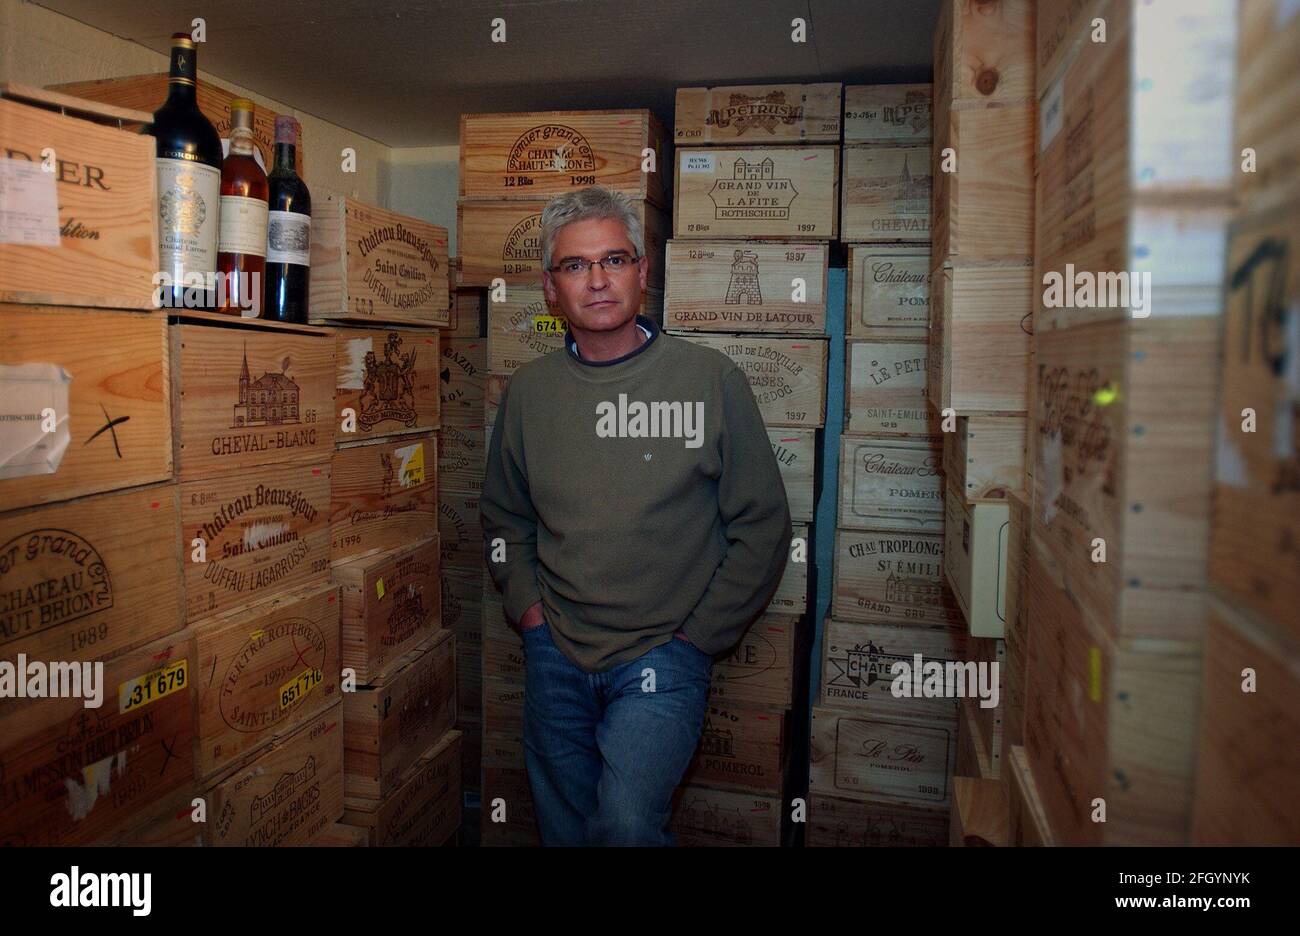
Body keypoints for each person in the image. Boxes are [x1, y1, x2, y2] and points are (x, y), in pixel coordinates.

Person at [480, 185, 792, 846]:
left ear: (643, 274)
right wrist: (530, 613)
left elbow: (762, 527)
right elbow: (505, 518)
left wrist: (697, 638)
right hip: (555, 654)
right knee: (564, 831)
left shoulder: (710, 379)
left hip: (663, 657)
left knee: (624, 825)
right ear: (550, 288)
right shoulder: (529, 395)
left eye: (615, 260)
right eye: (575, 266)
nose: (597, 280)